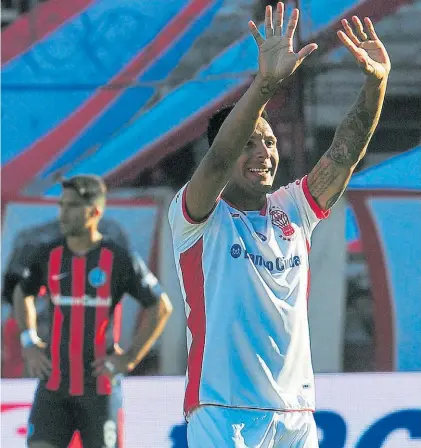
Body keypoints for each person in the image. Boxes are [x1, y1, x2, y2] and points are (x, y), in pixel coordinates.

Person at [168, 3, 390, 447]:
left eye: (269, 142)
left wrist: (376, 84)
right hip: (220, 411)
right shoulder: (195, 216)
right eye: (248, 144)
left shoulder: (294, 210)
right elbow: (215, 161)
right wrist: (265, 84)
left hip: (295, 416)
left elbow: (345, 151)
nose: (264, 154)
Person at [12, 175, 173, 448]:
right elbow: (22, 293)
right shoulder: (46, 254)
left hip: (100, 388)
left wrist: (131, 357)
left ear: (95, 211)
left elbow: (161, 305)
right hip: (53, 385)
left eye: (72, 206)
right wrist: (29, 342)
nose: (63, 213)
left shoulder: (119, 259)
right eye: (62, 205)